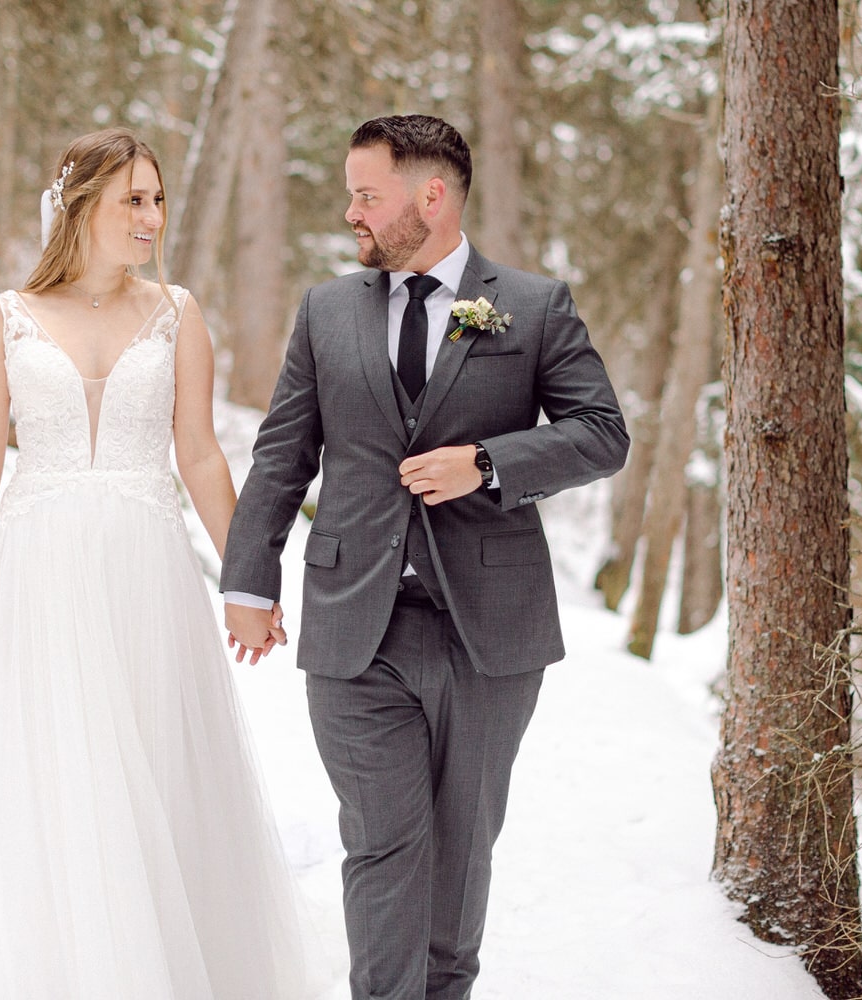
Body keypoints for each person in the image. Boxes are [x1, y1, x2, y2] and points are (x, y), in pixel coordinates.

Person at [221, 114, 629, 1000]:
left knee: (459, 850)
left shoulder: (534, 304)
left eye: (367, 195)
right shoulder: (327, 310)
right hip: (355, 629)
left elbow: (603, 435)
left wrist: (487, 464)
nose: (351, 213)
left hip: (488, 636)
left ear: (430, 197)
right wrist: (249, 576)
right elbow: (284, 452)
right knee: (381, 845)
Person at [0, 127, 311, 999]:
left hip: (147, 570)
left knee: (157, 772)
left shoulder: (177, 312)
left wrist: (246, 578)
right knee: (64, 784)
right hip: (36, 576)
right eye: (132, 200)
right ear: (82, 207)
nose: (152, 217)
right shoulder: (6, 318)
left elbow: (203, 456)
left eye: (157, 198)